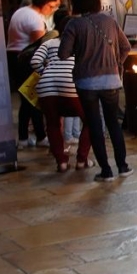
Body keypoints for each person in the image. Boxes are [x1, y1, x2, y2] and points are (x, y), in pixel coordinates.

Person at [59, 0, 132, 182]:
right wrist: (116, 63)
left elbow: (63, 54)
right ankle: (123, 166)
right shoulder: (110, 21)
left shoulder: (74, 25)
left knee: (94, 125)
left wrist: (82, 50)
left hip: (86, 82)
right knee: (113, 124)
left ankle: (106, 171)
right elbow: (126, 47)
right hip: (111, 80)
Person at [30, 9, 93, 172]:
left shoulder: (49, 43)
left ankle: (62, 162)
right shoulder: (79, 44)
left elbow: (35, 61)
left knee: (52, 124)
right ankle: (82, 159)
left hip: (46, 89)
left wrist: (46, 74)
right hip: (70, 87)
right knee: (90, 121)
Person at [6, 0, 61, 147]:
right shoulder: (35, 18)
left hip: (14, 57)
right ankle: (41, 137)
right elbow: (40, 45)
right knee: (34, 98)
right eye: (51, 7)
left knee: (26, 99)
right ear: (43, 4)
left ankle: (23, 138)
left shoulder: (21, 11)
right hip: (26, 60)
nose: (51, 10)